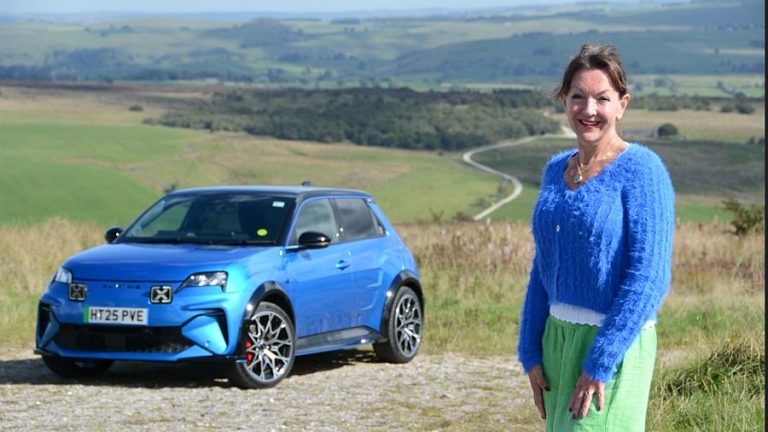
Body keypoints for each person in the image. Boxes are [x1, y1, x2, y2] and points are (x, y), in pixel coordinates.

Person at [517, 43, 675, 432]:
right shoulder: (556, 170)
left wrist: (601, 361)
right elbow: (543, 266)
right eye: (578, 97)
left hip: (613, 346)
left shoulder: (643, 170)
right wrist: (531, 351)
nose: (589, 110)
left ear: (622, 104)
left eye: (602, 98)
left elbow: (649, 277)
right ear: (564, 100)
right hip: (557, 341)